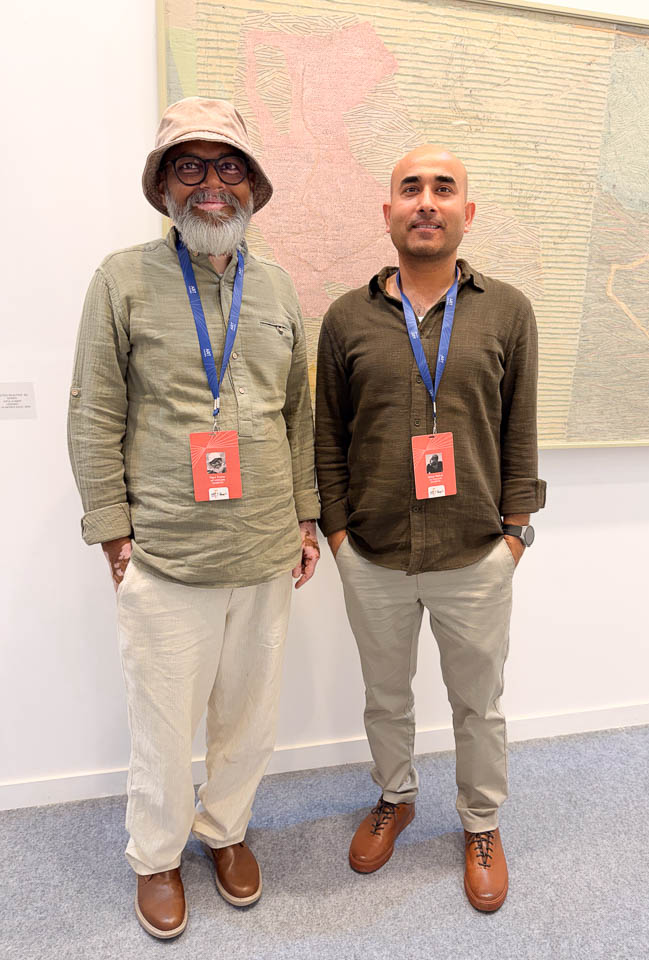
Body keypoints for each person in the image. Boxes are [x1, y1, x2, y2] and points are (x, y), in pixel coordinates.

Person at [68, 97, 320, 939]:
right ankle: (157, 857)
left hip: (265, 548)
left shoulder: (278, 286)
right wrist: (112, 530)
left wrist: (306, 517)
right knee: (163, 725)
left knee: (249, 718)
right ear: (163, 186)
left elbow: (299, 415)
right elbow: (94, 411)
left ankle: (225, 830)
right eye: (190, 167)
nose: (211, 186)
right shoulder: (121, 280)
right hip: (166, 553)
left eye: (229, 167)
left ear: (253, 184)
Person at [315, 144, 545, 912]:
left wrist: (515, 534)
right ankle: (396, 795)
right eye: (410, 188)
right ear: (388, 212)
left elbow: (520, 430)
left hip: (475, 552)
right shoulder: (345, 318)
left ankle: (481, 822)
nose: (426, 201)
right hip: (372, 551)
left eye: (443, 189)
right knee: (386, 697)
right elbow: (327, 435)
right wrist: (338, 535)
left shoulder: (508, 312)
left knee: (479, 705)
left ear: (465, 213)